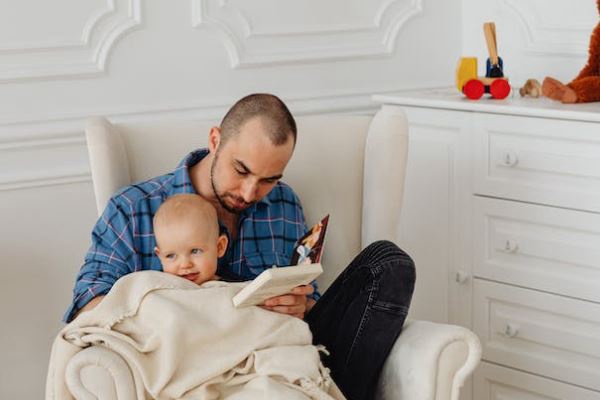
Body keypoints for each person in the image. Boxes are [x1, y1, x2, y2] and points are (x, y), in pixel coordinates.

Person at [65, 93, 415, 400]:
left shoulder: (283, 204)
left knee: (388, 263)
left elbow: (310, 306)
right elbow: (86, 310)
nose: (249, 193)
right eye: (241, 170)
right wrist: (182, 306)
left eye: (268, 179)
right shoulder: (133, 209)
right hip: (195, 366)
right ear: (215, 140)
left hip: (277, 353)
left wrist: (301, 303)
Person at [153, 193, 228, 285]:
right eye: (171, 256)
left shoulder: (237, 289)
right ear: (159, 256)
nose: (185, 265)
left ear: (219, 247)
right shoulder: (158, 289)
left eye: (195, 251)